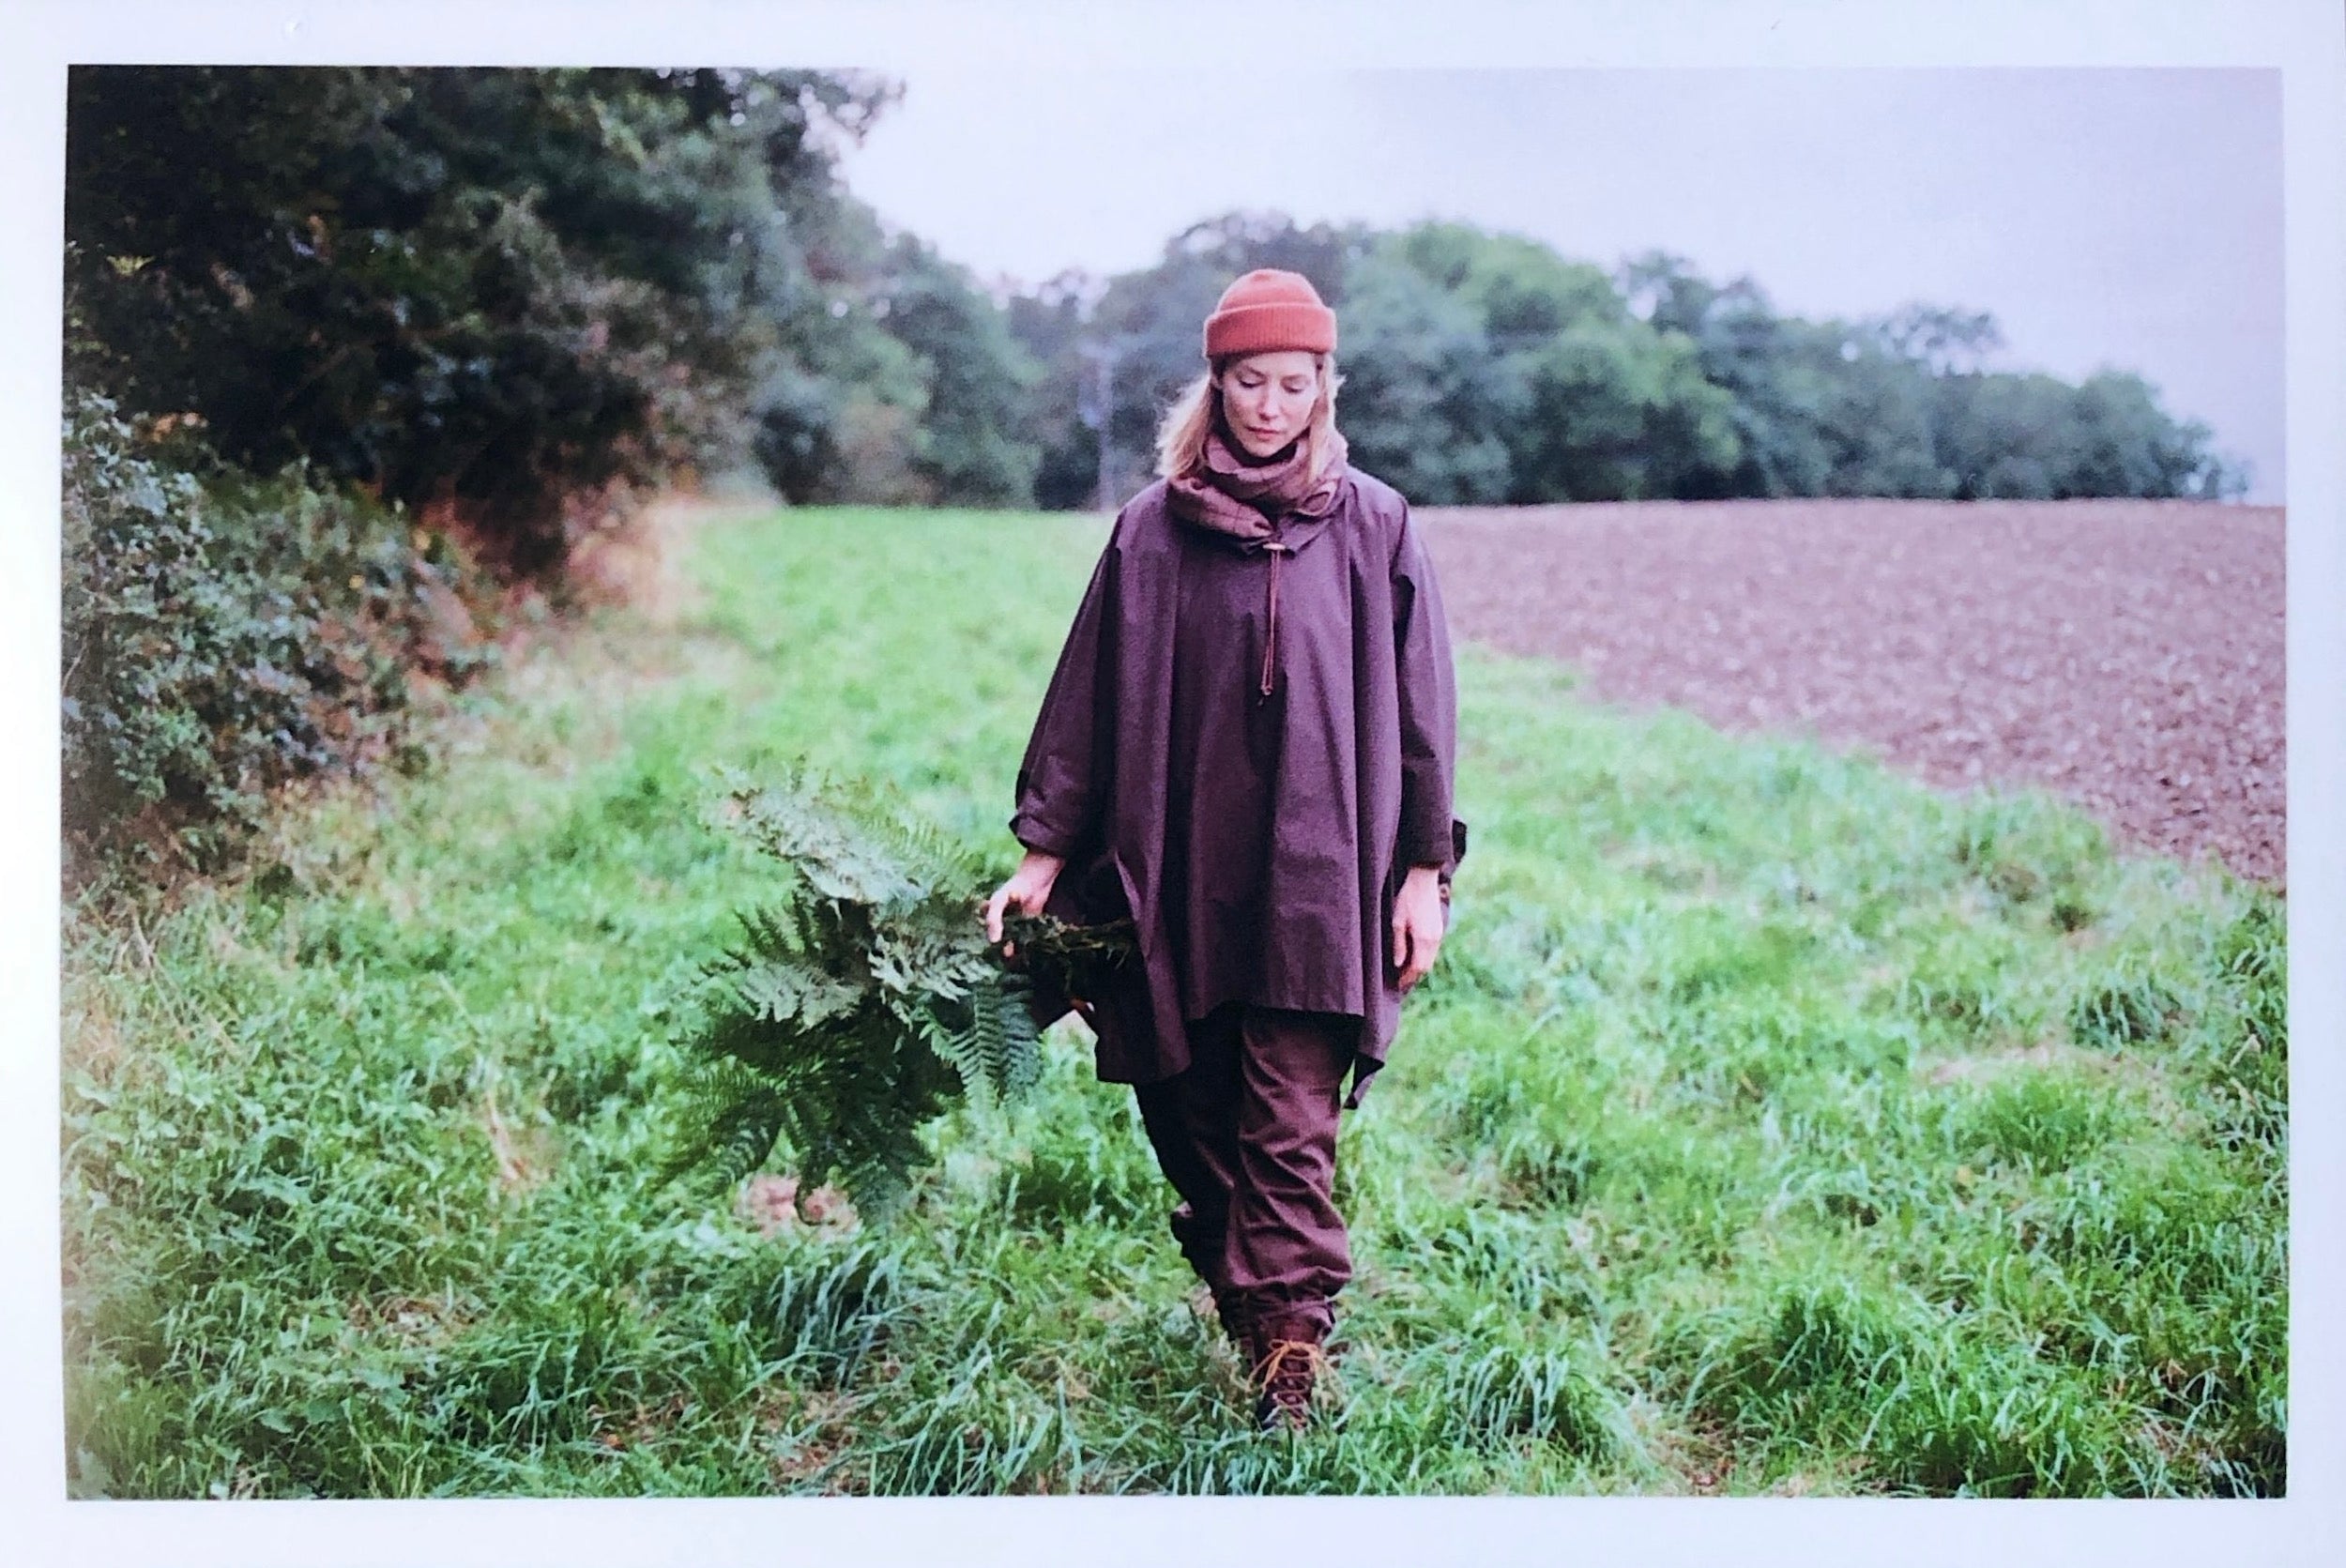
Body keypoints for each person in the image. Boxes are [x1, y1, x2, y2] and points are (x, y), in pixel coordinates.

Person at [983, 267, 1466, 1434]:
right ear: (1217, 383)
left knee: (1292, 1123)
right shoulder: (1153, 532)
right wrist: (1043, 855)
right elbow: (1089, 697)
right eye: (1249, 381)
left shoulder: (1374, 524)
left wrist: (1419, 872)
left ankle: (1291, 1351)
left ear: (1323, 387)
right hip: (1176, 877)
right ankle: (1254, 1314)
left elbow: (1418, 712)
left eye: (1293, 382)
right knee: (1188, 1116)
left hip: (1317, 887)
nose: (1269, 404)